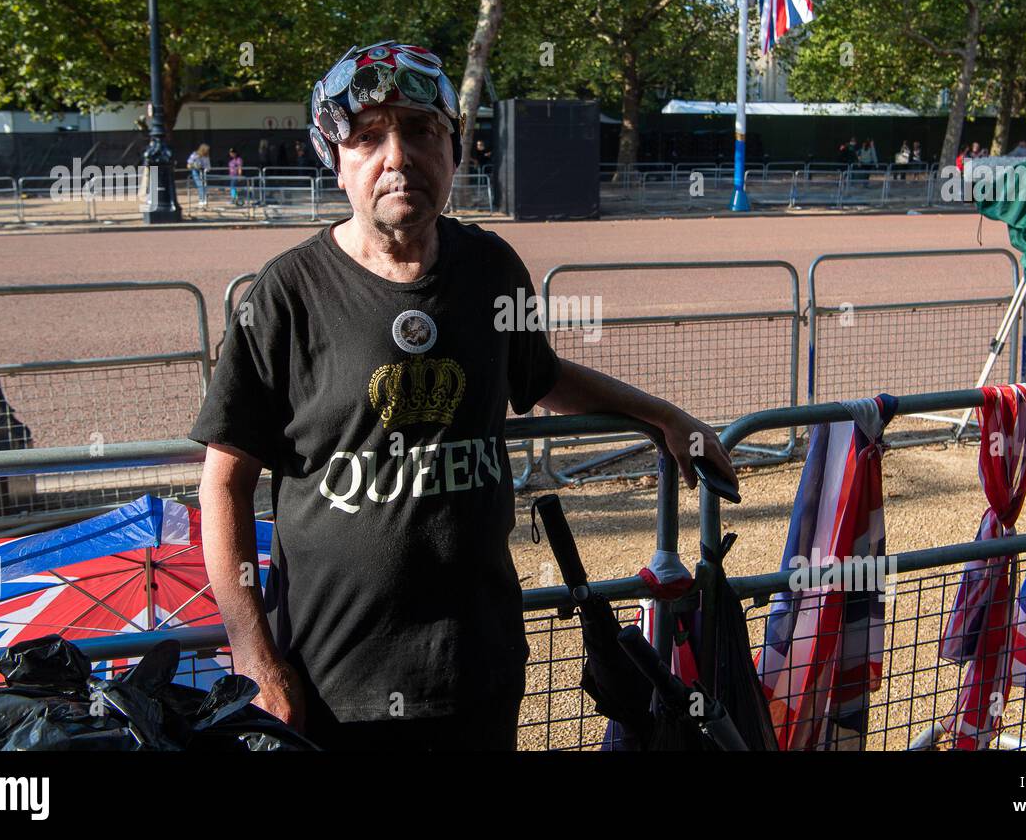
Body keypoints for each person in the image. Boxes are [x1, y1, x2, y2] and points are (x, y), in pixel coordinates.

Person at [190, 39, 735, 752]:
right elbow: (223, 487)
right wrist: (256, 658)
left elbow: (538, 376)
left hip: (477, 673)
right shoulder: (286, 294)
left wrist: (664, 417)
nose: (397, 157)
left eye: (420, 131)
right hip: (331, 687)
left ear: (453, 147)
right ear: (336, 157)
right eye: (367, 138)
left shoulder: (490, 268)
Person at [186, 143, 210, 207]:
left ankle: (204, 199)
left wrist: (207, 169)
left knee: (204, 185)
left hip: (203, 171)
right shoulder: (195, 154)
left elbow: (208, 165)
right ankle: (201, 200)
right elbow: (188, 164)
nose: (207, 152)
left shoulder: (206, 156)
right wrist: (193, 165)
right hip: (195, 171)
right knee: (200, 185)